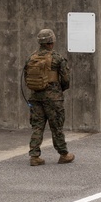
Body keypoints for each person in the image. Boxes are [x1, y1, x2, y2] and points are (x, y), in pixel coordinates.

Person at [24, 28, 75, 166]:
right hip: (53, 99)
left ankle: (34, 156)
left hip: (35, 97)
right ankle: (64, 154)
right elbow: (66, 79)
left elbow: (26, 78)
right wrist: (58, 90)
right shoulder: (57, 58)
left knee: (37, 126)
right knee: (56, 126)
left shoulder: (31, 58)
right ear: (51, 42)